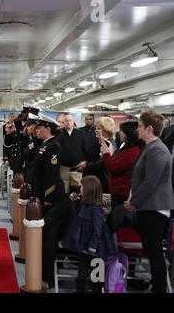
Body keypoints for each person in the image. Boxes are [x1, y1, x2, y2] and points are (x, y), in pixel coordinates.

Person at [124, 110, 173, 293]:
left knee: (155, 254)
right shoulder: (152, 148)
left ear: (149, 129)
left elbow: (150, 182)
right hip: (149, 207)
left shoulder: (157, 150)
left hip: (154, 209)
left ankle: (159, 289)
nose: (137, 129)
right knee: (152, 252)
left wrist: (133, 201)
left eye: (140, 126)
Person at [62, 176, 116, 293]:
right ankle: (80, 288)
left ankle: (95, 289)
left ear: (89, 190)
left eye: (81, 187)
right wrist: (74, 200)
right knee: (82, 270)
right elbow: (75, 214)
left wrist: (93, 244)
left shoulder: (96, 207)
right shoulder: (84, 203)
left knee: (96, 273)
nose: (79, 189)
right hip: (83, 243)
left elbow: (98, 227)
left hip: (95, 245)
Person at [33, 114, 69, 288]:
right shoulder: (45, 145)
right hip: (43, 195)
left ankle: (49, 275)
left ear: (48, 128)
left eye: (39, 127)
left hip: (52, 199)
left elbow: (52, 174)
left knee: (49, 237)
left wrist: (47, 197)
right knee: (44, 236)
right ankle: (43, 269)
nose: (36, 130)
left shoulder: (53, 146)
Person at [102, 121, 144, 232]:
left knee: (116, 222)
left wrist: (106, 153)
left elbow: (113, 168)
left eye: (122, 131)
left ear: (129, 134)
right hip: (118, 192)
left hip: (122, 194)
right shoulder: (126, 147)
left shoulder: (132, 151)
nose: (119, 133)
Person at [76, 116, 117, 192]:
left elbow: (103, 163)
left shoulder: (107, 144)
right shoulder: (100, 143)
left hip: (99, 182)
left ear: (106, 130)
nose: (96, 130)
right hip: (93, 180)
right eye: (96, 128)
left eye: (99, 128)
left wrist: (87, 165)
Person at [58, 114, 87, 193]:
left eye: (70, 121)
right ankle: (64, 205)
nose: (68, 122)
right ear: (63, 123)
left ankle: (75, 205)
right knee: (63, 190)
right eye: (66, 121)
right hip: (63, 167)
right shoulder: (59, 134)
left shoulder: (80, 133)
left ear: (73, 122)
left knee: (77, 191)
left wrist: (84, 162)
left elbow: (85, 149)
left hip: (77, 168)